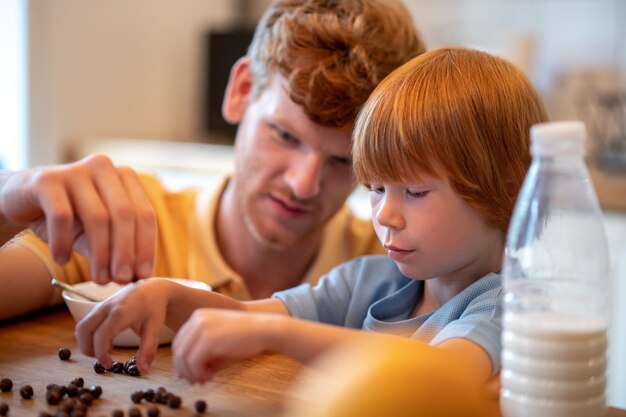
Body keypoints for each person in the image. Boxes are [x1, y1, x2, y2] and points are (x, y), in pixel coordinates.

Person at [75, 47, 549, 384]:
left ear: (509, 189)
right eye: (377, 188)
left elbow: (437, 371)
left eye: (417, 191)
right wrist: (167, 295)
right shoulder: (371, 280)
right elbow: (246, 317)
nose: (385, 214)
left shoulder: (505, 304)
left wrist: (276, 333)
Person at [0, 0, 426, 320]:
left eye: (342, 162)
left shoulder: (402, 269)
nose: (303, 184)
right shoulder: (122, 224)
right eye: (284, 135)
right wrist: (8, 199)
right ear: (241, 90)